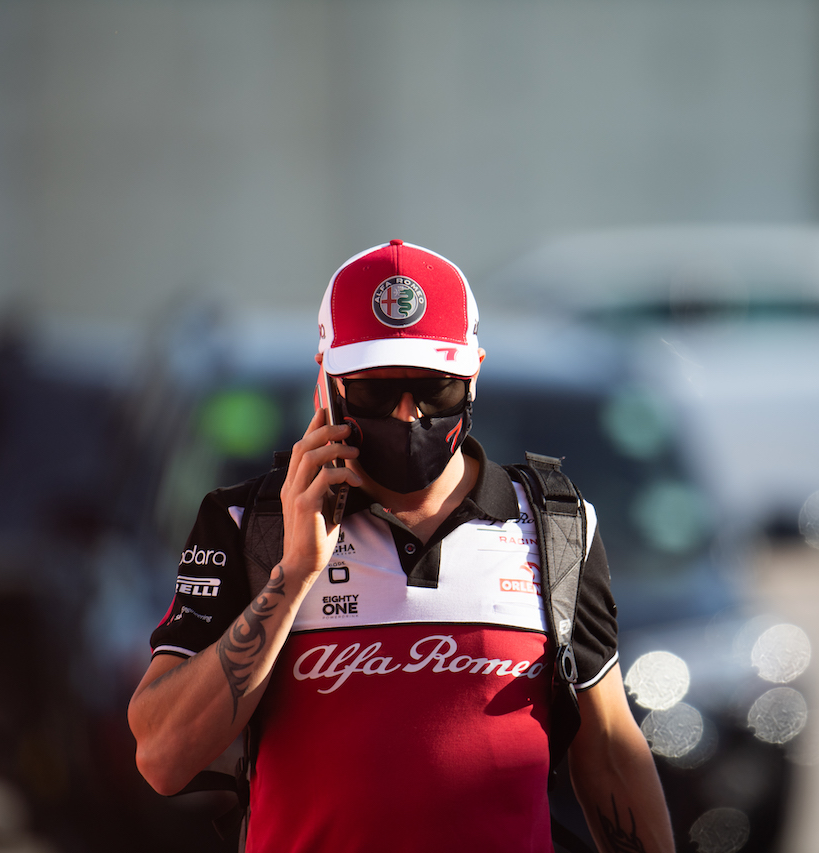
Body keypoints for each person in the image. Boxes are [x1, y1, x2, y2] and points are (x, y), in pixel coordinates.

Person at [127, 240, 674, 853]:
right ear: (326, 381)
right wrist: (294, 575)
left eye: (433, 388)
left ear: (473, 374)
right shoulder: (244, 523)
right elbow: (162, 757)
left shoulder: (558, 529)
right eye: (375, 389)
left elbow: (610, 756)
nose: (409, 413)